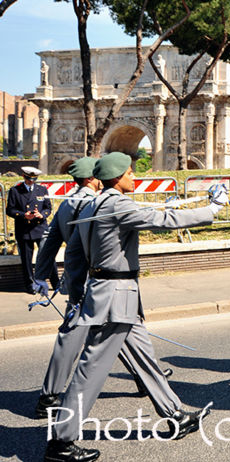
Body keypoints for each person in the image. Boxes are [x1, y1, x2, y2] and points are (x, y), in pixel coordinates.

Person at [44, 152, 227, 462]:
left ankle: (176, 413)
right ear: (116, 176)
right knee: (91, 369)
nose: (134, 176)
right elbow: (164, 220)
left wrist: (77, 298)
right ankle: (61, 439)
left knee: (144, 358)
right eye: (130, 171)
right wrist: (212, 208)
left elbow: (74, 257)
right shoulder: (117, 204)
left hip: (109, 295)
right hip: (115, 298)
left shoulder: (91, 206)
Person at [32, 157, 171, 419]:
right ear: (92, 179)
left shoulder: (66, 204)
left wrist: (41, 275)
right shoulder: (94, 204)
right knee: (79, 338)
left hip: (82, 281)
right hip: (98, 282)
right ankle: (50, 399)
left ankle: (147, 381)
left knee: (124, 334)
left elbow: (51, 241)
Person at [5, 166, 59, 293]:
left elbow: (48, 208)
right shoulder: (15, 190)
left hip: (40, 227)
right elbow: (10, 210)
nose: (31, 181)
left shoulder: (42, 190)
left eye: (34, 179)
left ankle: (55, 282)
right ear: (24, 176)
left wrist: (42, 214)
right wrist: (24, 215)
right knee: (26, 259)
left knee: (48, 255)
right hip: (24, 230)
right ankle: (30, 284)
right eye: (29, 179)